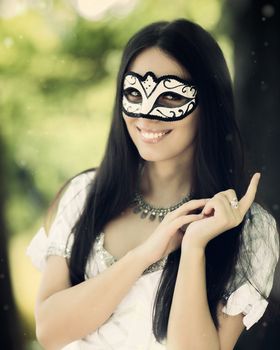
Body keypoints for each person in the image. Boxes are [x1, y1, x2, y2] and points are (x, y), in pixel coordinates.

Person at [27, 19, 279, 350]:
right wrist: (146, 254)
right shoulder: (85, 194)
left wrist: (193, 248)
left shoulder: (249, 231)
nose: (146, 116)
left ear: (210, 102)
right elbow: (50, 330)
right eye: (134, 93)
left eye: (171, 96)